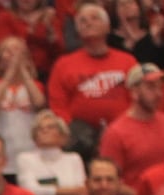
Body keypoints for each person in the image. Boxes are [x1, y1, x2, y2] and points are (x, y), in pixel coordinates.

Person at [48, 2, 137, 157]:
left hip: (122, 134)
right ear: (77, 31)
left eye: (94, 18)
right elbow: (58, 105)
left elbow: (136, 98)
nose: (88, 23)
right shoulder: (63, 64)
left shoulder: (127, 61)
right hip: (79, 140)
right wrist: (72, 129)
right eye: (82, 20)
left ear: (108, 27)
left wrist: (123, 127)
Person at [100, 63, 164, 190]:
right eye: (151, 88)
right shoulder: (116, 133)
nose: (158, 94)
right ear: (134, 92)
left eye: (160, 87)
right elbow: (109, 182)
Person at [0, 36, 46, 169]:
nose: (13, 55)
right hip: (2, 141)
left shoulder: (35, 84)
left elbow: (39, 102)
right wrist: (10, 73)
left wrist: (23, 71)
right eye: (7, 50)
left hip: (28, 142)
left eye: (17, 50)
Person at [17, 111, 88, 195]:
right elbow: (29, 192)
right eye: (39, 129)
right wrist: (71, 191)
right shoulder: (25, 159)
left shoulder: (73, 159)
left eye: (51, 127)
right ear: (34, 138)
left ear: (63, 136)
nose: (45, 130)